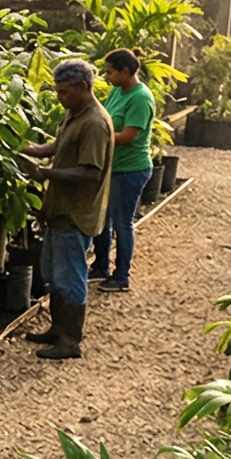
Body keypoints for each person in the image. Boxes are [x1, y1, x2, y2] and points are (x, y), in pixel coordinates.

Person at [20, 58, 114, 360]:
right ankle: (57, 329)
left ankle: (70, 341)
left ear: (83, 87)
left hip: (76, 214)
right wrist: (31, 149)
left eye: (64, 92)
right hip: (60, 211)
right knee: (53, 273)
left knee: (70, 278)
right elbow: (60, 146)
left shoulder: (95, 123)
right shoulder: (75, 113)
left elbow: (90, 172)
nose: (59, 98)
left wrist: (44, 173)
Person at [89, 48, 157, 293]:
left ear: (125, 72)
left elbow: (128, 136)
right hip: (112, 167)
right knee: (102, 220)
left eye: (110, 72)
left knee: (122, 222)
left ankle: (121, 275)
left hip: (130, 170)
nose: (106, 77)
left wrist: (97, 139)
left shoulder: (140, 97)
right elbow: (105, 118)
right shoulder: (118, 91)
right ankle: (101, 266)